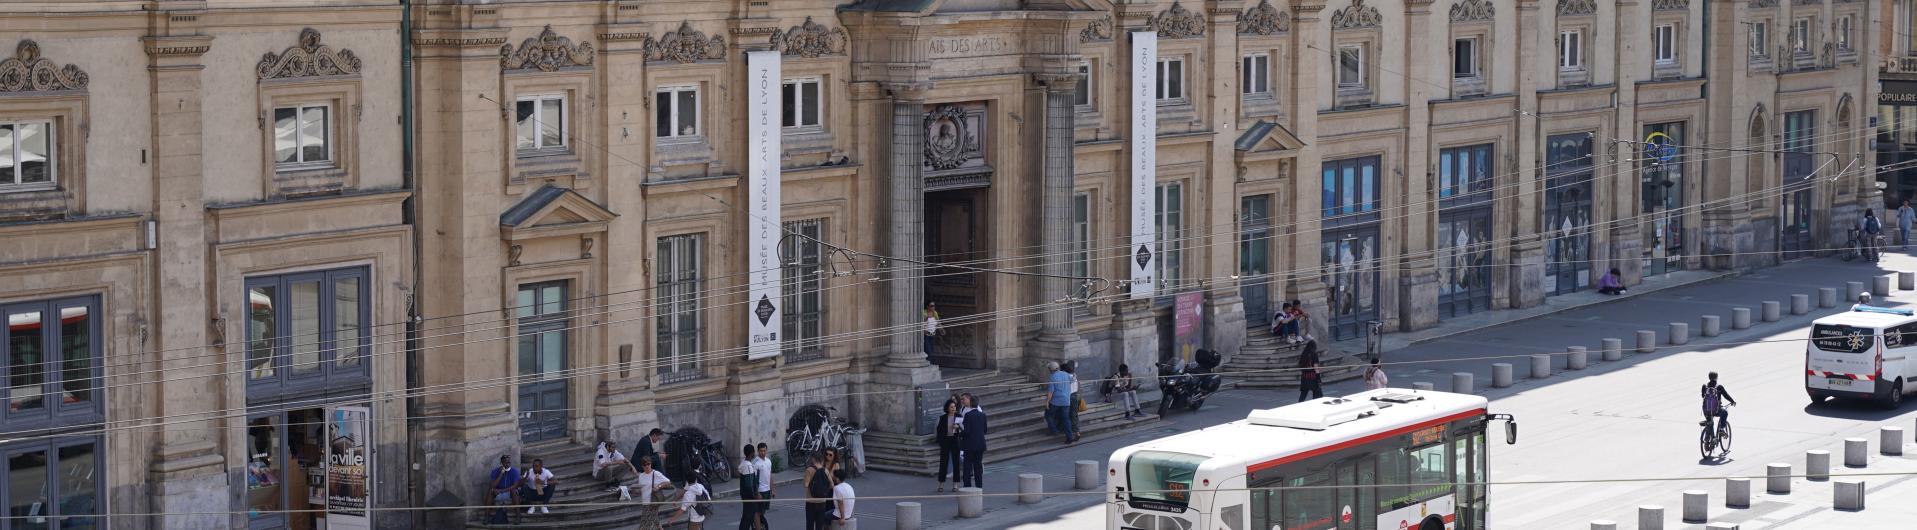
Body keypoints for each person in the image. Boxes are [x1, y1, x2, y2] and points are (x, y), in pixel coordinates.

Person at [633, 455, 675, 530]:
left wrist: (658, 487)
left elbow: (668, 482)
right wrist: (635, 491)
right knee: (655, 522)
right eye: (644, 465)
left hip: (653, 502)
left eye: (648, 464)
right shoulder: (641, 476)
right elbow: (642, 489)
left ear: (651, 464)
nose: (646, 466)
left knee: (645, 525)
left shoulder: (655, 474)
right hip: (645, 502)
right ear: (642, 466)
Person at [957, 393, 989, 489]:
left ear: (970, 402)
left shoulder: (968, 415)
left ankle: (967, 487)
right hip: (980, 444)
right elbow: (985, 430)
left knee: (967, 466)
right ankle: (979, 487)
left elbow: (966, 431)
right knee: (978, 467)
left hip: (970, 445)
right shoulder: (983, 415)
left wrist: (959, 433)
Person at [935, 398, 962, 492]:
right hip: (946, 442)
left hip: (955, 441)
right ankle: (941, 484)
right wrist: (941, 442)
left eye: (954, 406)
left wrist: (958, 427)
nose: (953, 408)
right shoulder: (943, 418)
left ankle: (955, 485)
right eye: (951, 407)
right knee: (943, 463)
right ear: (947, 408)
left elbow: (963, 429)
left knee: (956, 463)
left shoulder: (959, 416)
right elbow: (939, 431)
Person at [1045, 361, 1076, 443]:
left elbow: (1051, 392)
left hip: (1056, 401)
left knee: (1048, 415)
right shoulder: (1065, 374)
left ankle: (1054, 431)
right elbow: (1072, 379)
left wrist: (1047, 402)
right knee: (1066, 419)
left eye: (1049, 369)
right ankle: (1069, 437)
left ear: (1050, 369)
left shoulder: (1052, 377)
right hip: (1066, 401)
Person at [486, 455, 521, 524]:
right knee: (490, 491)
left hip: (509, 493)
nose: (507, 464)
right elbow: (492, 485)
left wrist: (502, 490)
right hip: (498, 493)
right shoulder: (495, 471)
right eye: (505, 462)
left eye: (508, 462)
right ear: (501, 463)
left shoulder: (514, 471)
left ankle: (518, 517)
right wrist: (501, 474)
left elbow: (515, 485)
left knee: (515, 491)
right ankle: (486, 517)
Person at [804, 452, 834, 530]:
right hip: (822, 501)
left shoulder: (809, 470)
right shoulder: (826, 470)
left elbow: (806, 485)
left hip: (811, 501)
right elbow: (832, 485)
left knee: (810, 524)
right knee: (819, 525)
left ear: (813, 458)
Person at [737, 444, 762, 530]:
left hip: (746, 495)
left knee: (747, 516)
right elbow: (749, 485)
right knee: (748, 517)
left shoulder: (744, 464)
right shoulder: (748, 466)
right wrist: (755, 496)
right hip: (749, 496)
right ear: (752, 453)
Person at [754, 442, 774, 522]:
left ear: (766, 450)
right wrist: (757, 493)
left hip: (767, 491)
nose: (763, 453)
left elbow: (770, 476)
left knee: (763, 511)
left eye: (764, 451)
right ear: (758, 451)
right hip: (760, 491)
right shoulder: (755, 463)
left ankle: (761, 525)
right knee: (758, 512)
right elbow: (754, 480)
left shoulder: (768, 461)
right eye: (761, 451)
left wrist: (772, 490)